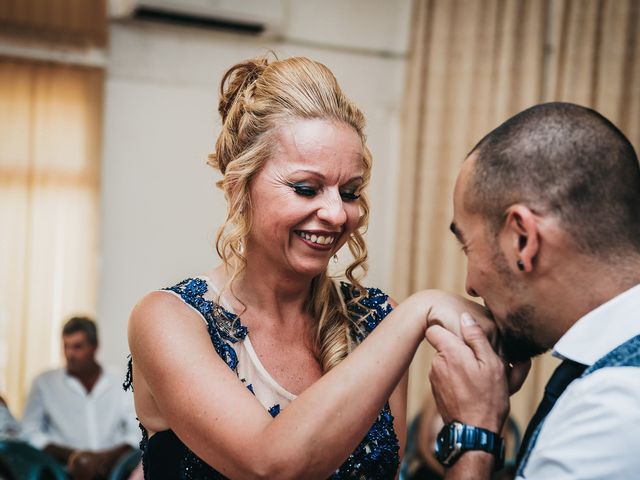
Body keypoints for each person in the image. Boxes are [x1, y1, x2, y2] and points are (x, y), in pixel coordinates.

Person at [124, 55, 496, 479]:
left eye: (351, 191)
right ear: (239, 188)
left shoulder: (375, 321)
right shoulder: (169, 320)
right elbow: (270, 466)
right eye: (306, 188)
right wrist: (419, 309)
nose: (338, 214)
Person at [426, 102, 640, 479]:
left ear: (522, 238)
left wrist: (473, 432)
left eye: (468, 247)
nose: (469, 286)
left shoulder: (613, 408)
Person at [21, 316, 139, 479]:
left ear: (95, 346)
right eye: (66, 346)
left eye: (77, 347)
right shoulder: (44, 383)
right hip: (61, 471)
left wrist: (106, 458)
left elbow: (137, 428)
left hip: (117, 469)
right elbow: (29, 431)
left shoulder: (121, 380)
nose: (70, 354)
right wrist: (74, 457)